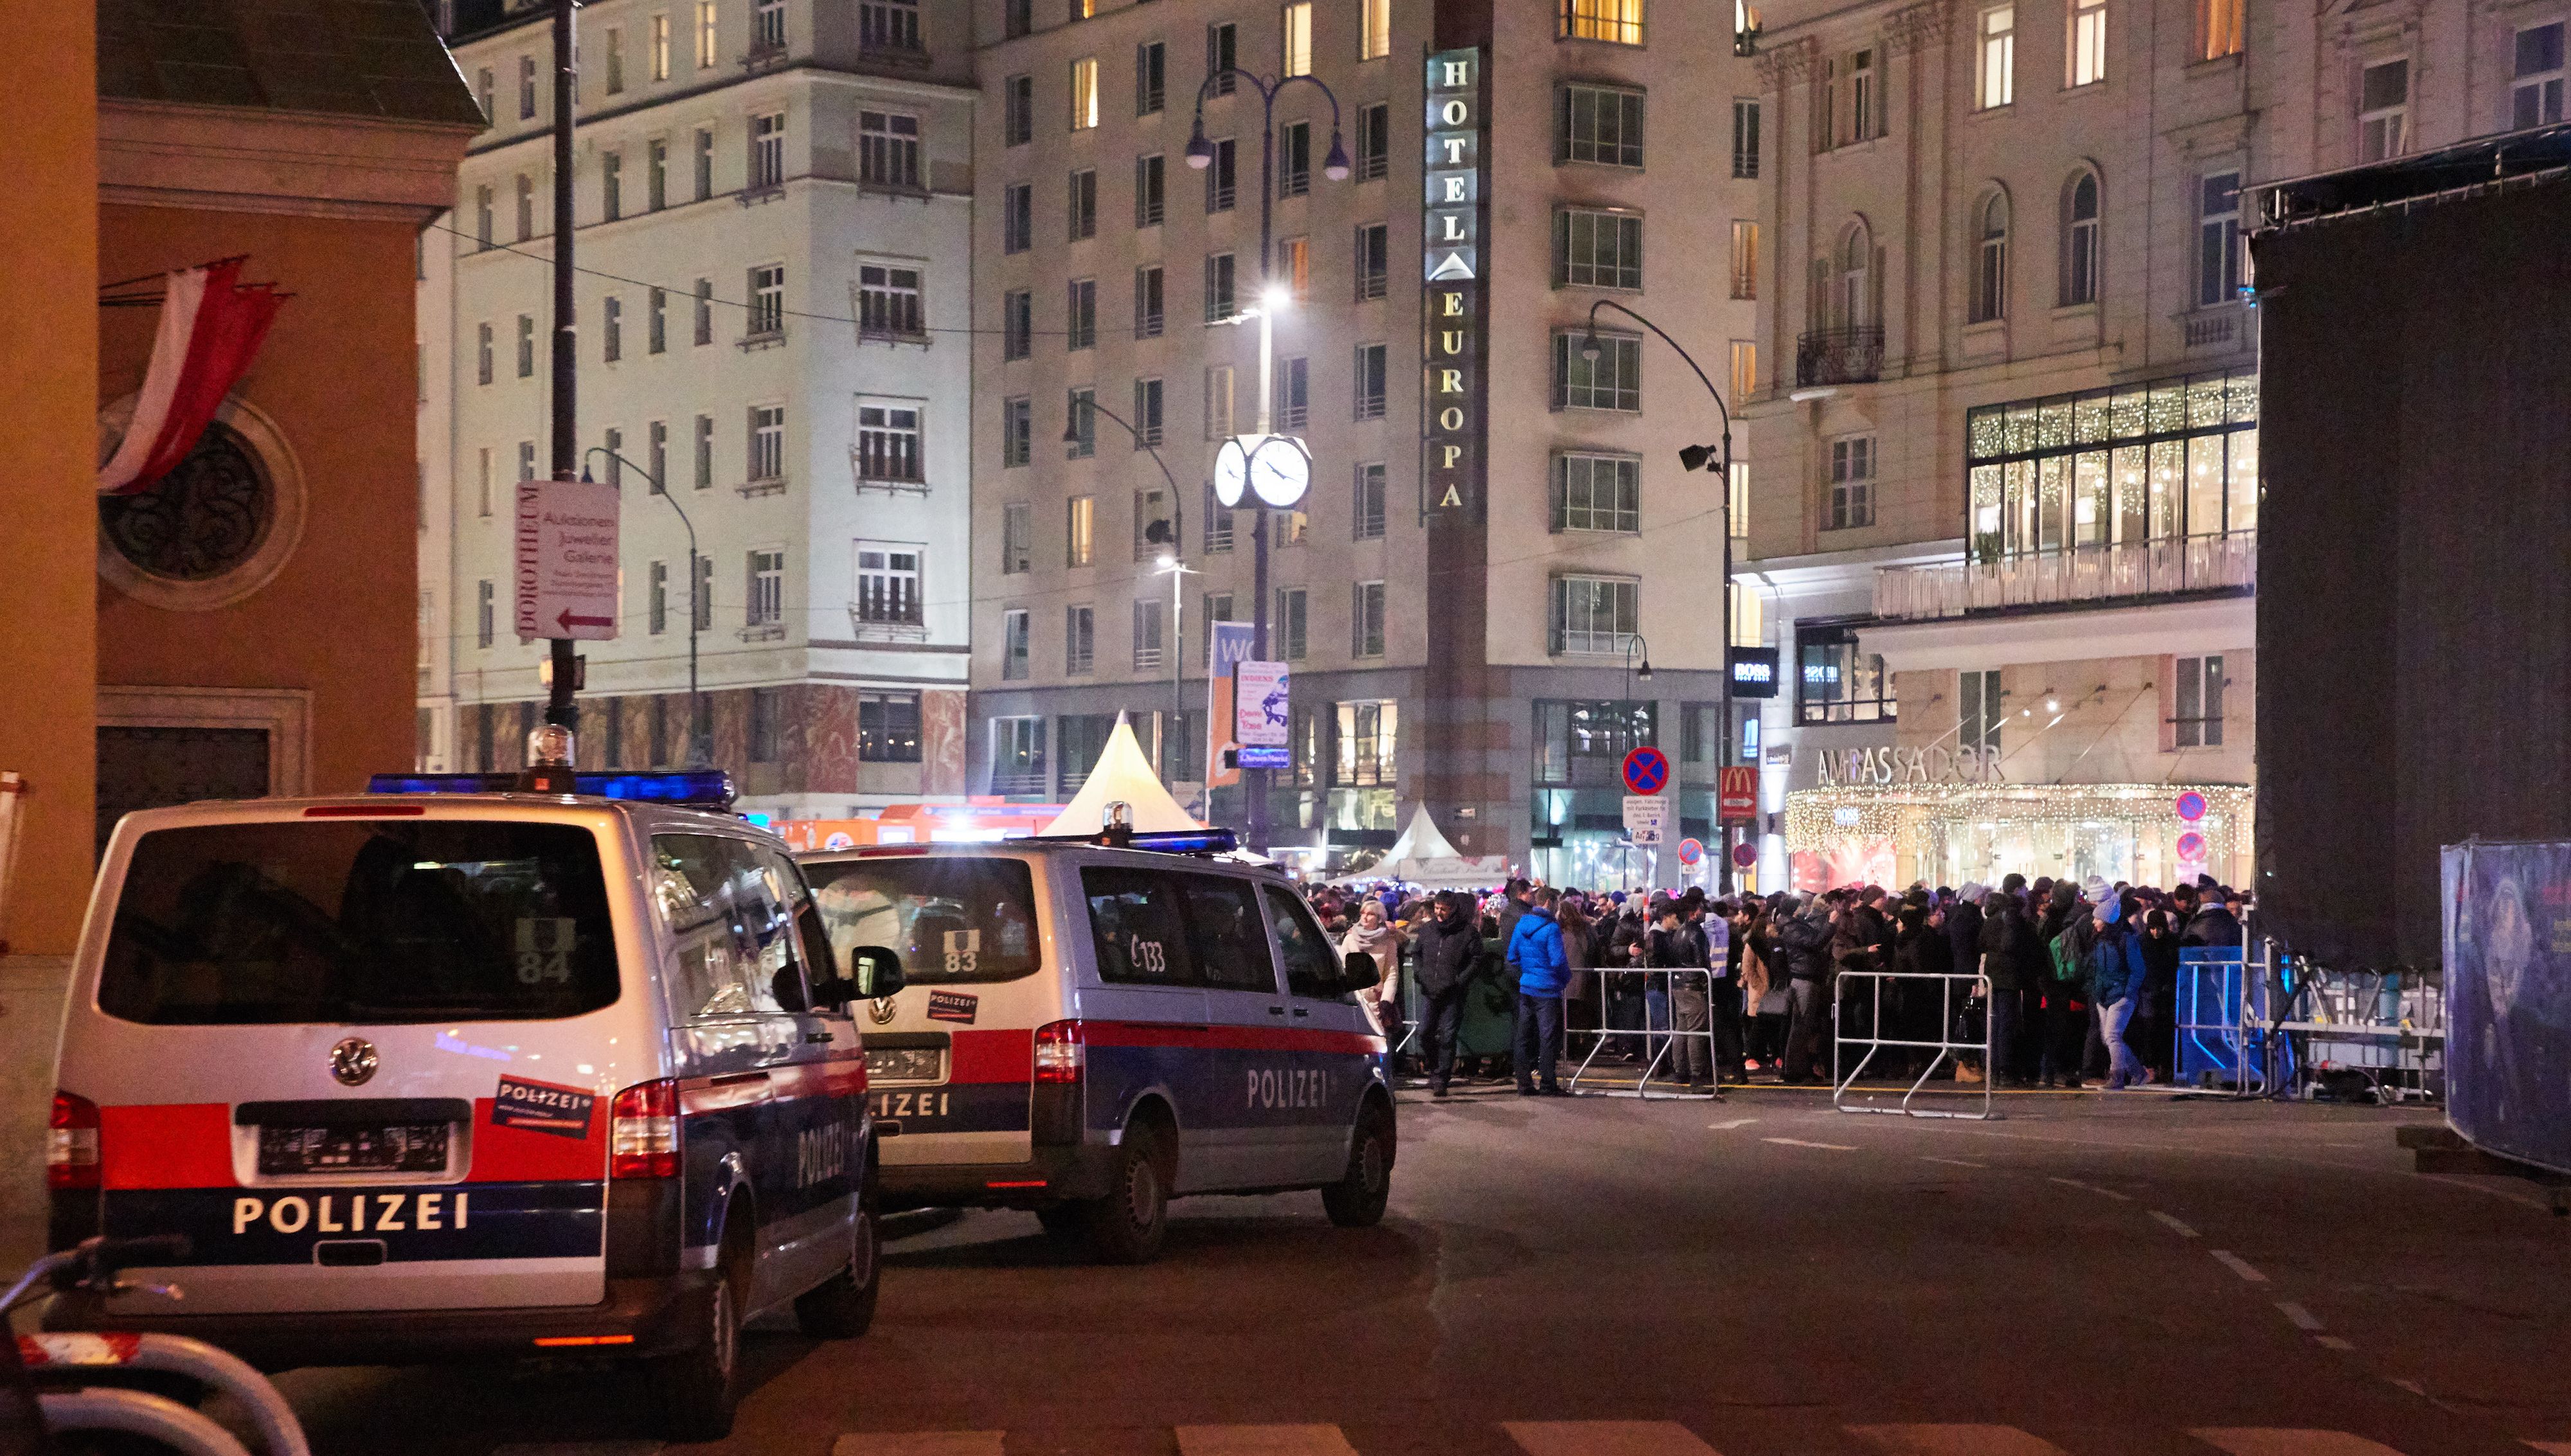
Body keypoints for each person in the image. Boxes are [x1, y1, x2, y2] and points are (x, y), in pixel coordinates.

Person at [1411, 892, 1482, 1097]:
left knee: (1448, 1036)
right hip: (1430, 990)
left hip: (1453, 993)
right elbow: (1417, 953)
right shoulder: (1428, 930)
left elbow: (1476, 959)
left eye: (1443, 909)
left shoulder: (1468, 932)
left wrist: (1459, 981)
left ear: (1453, 909)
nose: (1439, 913)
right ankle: (1435, 1070)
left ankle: (1442, 1078)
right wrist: (1419, 973)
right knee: (1425, 1033)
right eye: (1436, 908)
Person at [1505, 887, 1572, 1096]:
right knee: (1547, 1038)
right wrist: (1564, 979)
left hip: (1527, 988)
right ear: (1549, 903)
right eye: (1557, 903)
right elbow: (1558, 960)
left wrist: (1528, 971)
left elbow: (1512, 956)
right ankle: (1548, 1084)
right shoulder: (1551, 928)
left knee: (1523, 1037)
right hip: (1547, 990)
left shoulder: (1521, 924)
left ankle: (1524, 1085)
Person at [2091, 895, 2151, 1090]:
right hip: (2105, 995)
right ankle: (2137, 1072)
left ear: (2107, 920)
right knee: (2109, 1037)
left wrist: (2128, 993)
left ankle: (2117, 1076)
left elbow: (2138, 969)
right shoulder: (2100, 941)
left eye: (2097, 918)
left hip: (2120, 995)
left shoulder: (2125, 940)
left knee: (2112, 1036)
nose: (2094, 922)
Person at [1977, 886, 2034, 1087]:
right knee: (2007, 1024)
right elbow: (2022, 947)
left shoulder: (1990, 922)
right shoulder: (2015, 922)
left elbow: (1981, 944)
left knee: (1994, 1022)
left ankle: (1992, 1068)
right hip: (2010, 977)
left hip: (1992, 975)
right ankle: (2006, 1069)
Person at [1777, 895, 1836, 1083]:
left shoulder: (1795, 925)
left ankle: (1799, 1069)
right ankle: (1794, 1072)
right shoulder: (1792, 928)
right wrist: (1831, 925)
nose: (1805, 907)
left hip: (1807, 977)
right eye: (1801, 905)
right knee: (1800, 1027)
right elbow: (1815, 943)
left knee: (1804, 1026)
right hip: (1803, 978)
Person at [1340, 898, 1408, 1047]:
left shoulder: (1388, 942)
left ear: (1379, 918)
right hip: (1356, 1000)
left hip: (1376, 1001)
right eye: (1363, 913)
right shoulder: (1350, 939)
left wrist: (1386, 1000)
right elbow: (1343, 969)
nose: (1364, 917)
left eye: (1370, 914)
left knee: (1378, 1043)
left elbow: (1391, 973)